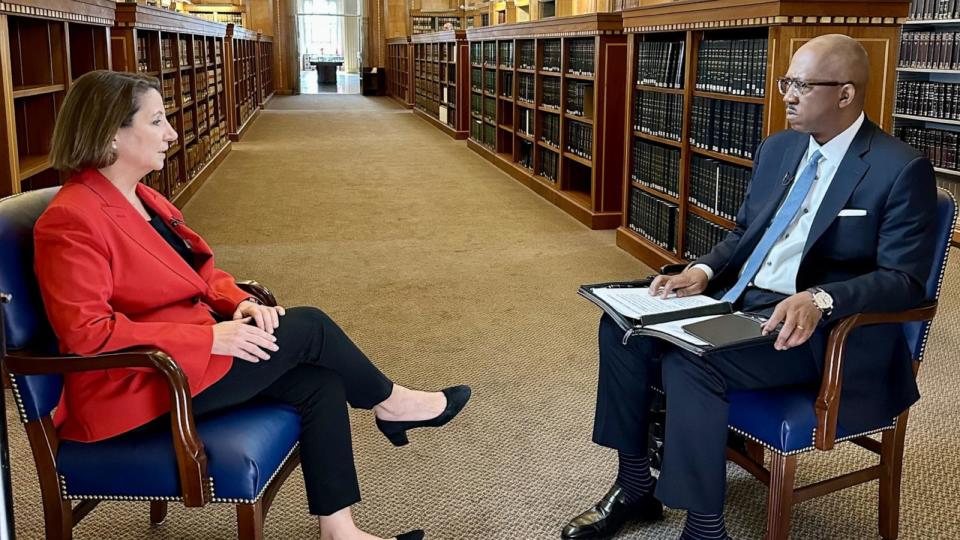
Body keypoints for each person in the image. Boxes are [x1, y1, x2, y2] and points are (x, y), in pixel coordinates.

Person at [34, 70, 471, 540]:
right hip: (141, 383)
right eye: (157, 121)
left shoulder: (144, 199)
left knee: (319, 382)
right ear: (110, 134)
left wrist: (237, 301)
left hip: (190, 358)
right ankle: (391, 402)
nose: (172, 133)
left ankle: (340, 531)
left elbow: (198, 274)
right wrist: (207, 337)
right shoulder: (71, 219)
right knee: (309, 328)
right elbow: (86, 332)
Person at [561, 34, 937, 540]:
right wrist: (704, 271)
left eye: (803, 85)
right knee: (621, 328)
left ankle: (704, 529)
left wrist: (822, 298)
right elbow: (745, 233)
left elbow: (904, 280)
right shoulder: (779, 148)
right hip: (740, 299)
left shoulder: (899, 168)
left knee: (690, 361)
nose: (789, 94)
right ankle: (634, 488)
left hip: (816, 330)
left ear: (846, 95)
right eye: (787, 82)